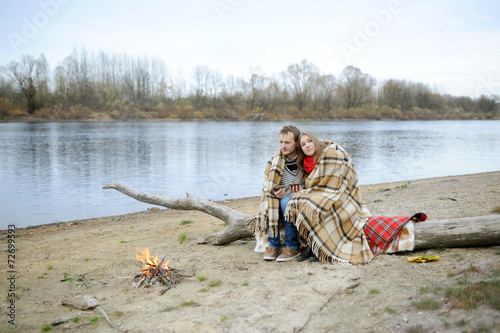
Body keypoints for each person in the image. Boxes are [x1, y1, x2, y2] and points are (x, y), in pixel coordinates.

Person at [285, 132, 374, 265]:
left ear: (315, 141)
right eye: (303, 144)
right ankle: (312, 244)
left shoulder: (331, 153)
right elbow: (316, 184)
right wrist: (302, 190)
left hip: (341, 194)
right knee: (302, 199)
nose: (307, 145)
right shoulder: (305, 163)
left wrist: (313, 191)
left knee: (315, 202)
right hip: (324, 191)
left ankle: (317, 248)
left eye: (309, 141)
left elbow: (333, 182)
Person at [252, 125, 304, 262]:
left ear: (297, 143)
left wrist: (302, 190)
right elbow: (266, 187)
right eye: (281, 142)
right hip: (280, 205)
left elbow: (313, 183)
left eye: (287, 142)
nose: (283, 146)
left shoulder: (305, 161)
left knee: (287, 202)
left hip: (300, 202)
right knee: (273, 200)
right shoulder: (273, 162)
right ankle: (273, 245)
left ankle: (293, 246)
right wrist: (274, 192)